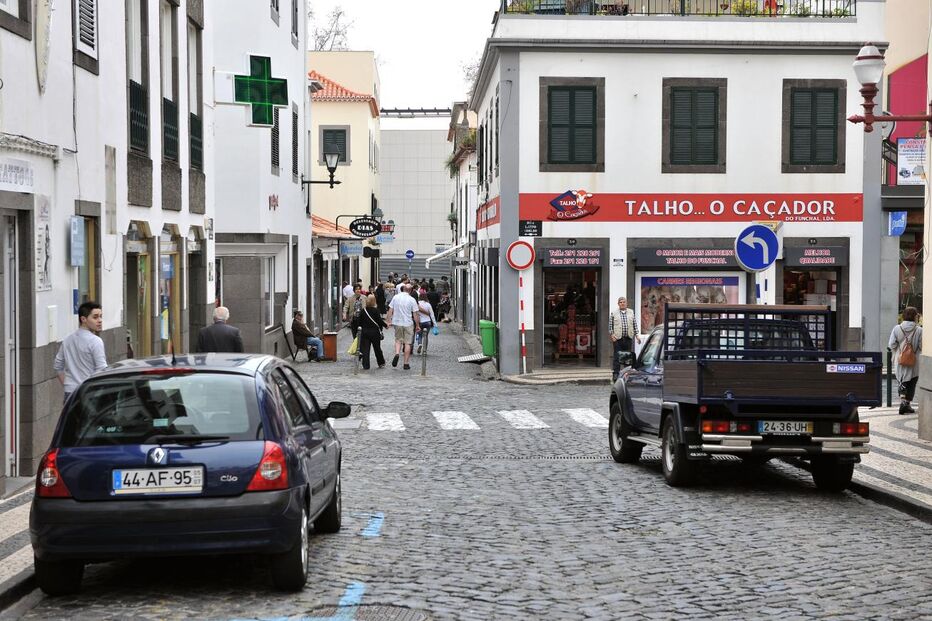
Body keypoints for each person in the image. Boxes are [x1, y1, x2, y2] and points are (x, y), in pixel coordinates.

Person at [53, 301, 107, 403]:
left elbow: (57, 365)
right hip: (90, 394)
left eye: (100, 316)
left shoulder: (67, 339)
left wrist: (67, 384)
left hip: (70, 393)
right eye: (95, 317)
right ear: (83, 319)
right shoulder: (95, 341)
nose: (100, 320)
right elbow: (102, 370)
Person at [889, 306, 923, 415]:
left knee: (902, 380)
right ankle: (906, 404)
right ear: (915, 316)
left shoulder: (897, 328)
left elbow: (891, 344)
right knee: (912, 382)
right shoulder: (919, 330)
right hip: (914, 361)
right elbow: (922, 346)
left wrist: (899, 349)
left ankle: (903, 402)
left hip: (900, 359)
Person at [386, 284, 421, 370]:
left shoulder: (396, 297)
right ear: (411, 290)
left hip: (397, 322)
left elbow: (390, 310)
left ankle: (397, 353)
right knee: (407, 343)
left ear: (403, 289)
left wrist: (388, 321)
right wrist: (417, 325)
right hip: (408, 323)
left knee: (398, 340)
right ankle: (406, 363)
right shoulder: (412, 300)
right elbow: (415, 314)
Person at [610, 296, 641, 382]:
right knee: (617, 356)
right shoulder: (614, 313)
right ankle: (615, 373)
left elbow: (634, 324)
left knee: (627, 356)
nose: (622, 303)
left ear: (626, 303)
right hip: (618, 338)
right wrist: (612, 335)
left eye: (624, 302)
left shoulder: (631, 312)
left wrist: (637, 335)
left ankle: (626, 373)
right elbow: (610, 325)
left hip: (628, 337)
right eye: (621, 302)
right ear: (618, 304)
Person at [358, 294, 387, 370]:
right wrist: (385, 325)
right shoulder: (376, 310)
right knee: (377, 348)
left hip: (365, 332)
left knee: (366, 349)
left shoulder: (363, 311)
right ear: (374, 301)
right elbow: (379, 321)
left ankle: (366, 365)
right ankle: (381, 362)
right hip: (374, 332)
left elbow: (359, 322)